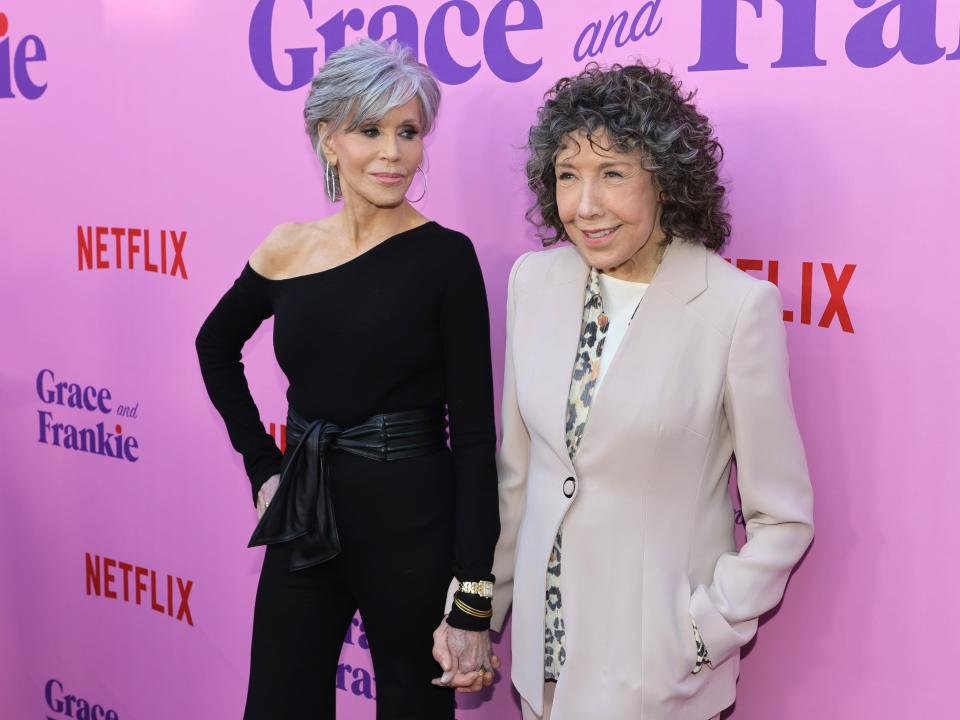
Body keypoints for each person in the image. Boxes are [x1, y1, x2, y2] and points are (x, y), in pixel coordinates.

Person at [488, 62, 815, 720]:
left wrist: (701, 633)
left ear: (664, 177)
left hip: (655, 681)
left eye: (612, 173)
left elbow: (783, 517)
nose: (584, 206)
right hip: (544, 665)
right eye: (567, 176)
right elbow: (518, 475)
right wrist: (482, 610)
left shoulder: (733, 308)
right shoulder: (533, 282)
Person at [195, 39, 499, 720]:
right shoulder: (288, 247)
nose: (393, 152)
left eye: (409, 131)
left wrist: (474, 595)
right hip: (307, 510)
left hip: (414, 520)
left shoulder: (446, 258)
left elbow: (476, 437)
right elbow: (215, 346)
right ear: (328, 139)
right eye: (370, 131)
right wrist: (262, 466)